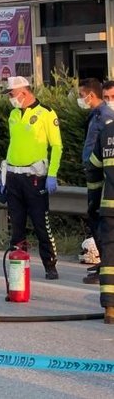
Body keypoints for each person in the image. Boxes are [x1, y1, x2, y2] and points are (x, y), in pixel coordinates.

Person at [0, 76, 62, 279]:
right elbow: (14, 144)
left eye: (11, 94)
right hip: (14, 176)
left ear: (24, 92)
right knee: (16, 225)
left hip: (35, 178)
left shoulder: (46, 114)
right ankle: (18, 265)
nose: (10, 98)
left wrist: (52, 174)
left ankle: (50, 265)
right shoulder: (13, 114)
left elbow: (57, 146)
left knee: (41, 224)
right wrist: (4, 173)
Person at [79, 78, 114, 284]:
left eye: (81, 95)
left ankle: (107, 266)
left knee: (101, 220)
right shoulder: (97, 115)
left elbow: (104, 150)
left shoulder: (106, 117)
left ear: (90, 95)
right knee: (94, 217)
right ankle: (104, 263)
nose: (81, 99)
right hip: (94, 175)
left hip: (102, 178)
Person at [85, 120, 114, 323]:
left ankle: (110, 309)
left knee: (110, 258)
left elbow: (93, 167)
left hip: (109, 207)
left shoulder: (107, 132)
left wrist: (93, 200)